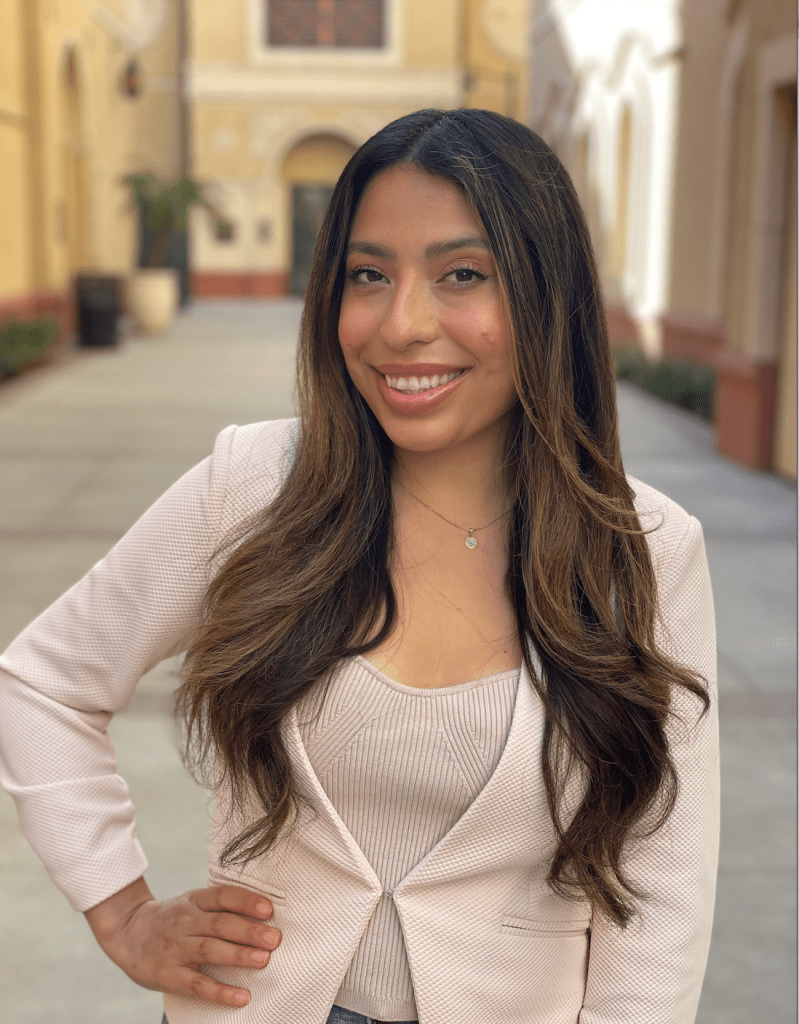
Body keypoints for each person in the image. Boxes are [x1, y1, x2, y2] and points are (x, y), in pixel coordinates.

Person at [0, 109, 719, 1024]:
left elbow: (659, 886)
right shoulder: (253, 487)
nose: (400, 325)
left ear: (547, 297)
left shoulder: (644, 549)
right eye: (367, 275)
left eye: (462, 276)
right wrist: (123, 912)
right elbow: (42, 682)